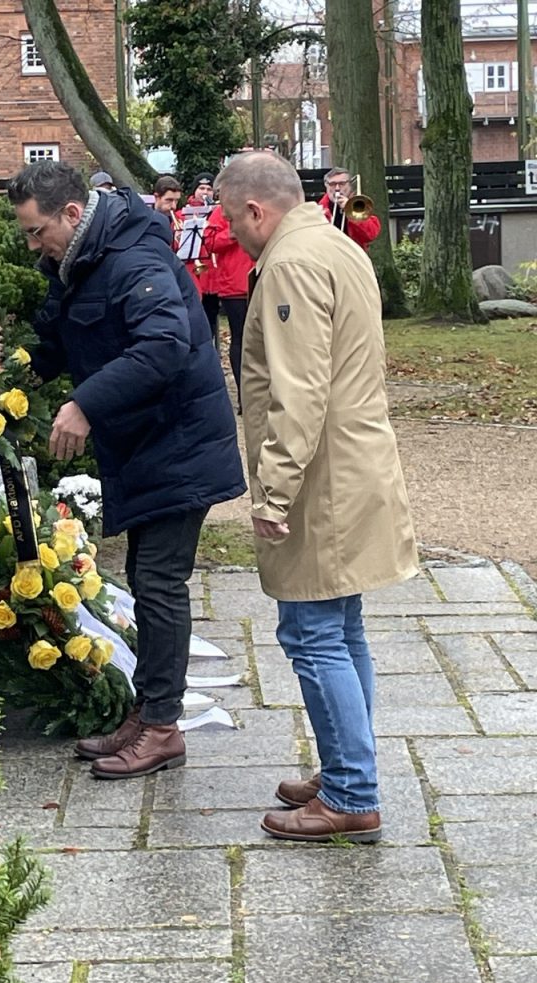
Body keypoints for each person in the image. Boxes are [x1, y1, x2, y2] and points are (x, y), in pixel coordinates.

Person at [8, 160, 245, 780]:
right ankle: (148, 713)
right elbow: (60, 339)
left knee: (160, 581)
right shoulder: (80, 260)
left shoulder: (132, 259)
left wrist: (85, 404)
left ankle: (163, 728)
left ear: (71, 214)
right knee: (147, 577)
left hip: (178, 441)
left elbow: (163, 345)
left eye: (37, 232)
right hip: (149, 443)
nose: (34, 245)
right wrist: (2, 373)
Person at [214, 151, 418, 843]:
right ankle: (343, 772)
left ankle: (352, 793)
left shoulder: (293, 263)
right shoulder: (330, 242)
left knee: (313, 634)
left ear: (254, 210)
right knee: (341, 625)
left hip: (319, 479)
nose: (229, 234)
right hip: (347, 464)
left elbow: (298, 390)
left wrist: (272, 491)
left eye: (228, 218)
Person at [203, 201, 254, 414]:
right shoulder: (221, 211)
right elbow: (210, 242)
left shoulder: (259, 207)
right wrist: (234, 233)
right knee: (240, 338)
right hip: (234, 285)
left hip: (261, 278)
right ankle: (245, 397)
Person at [179, 172, 220, 346]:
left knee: (210, 317)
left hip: (212, 274)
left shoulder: (217, 212)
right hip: (192, 275)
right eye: (201, 188)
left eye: (209, 189)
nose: (205, 192)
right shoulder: (183, 215)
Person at [319, 166, 381, 252]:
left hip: (354, 259)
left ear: (350, 186)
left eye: (342, 184)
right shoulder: (318, 210)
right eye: (332, 184)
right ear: (326, 186)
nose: (337, 188)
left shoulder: (359, 206)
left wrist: (350, 209)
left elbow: (371, 234)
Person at [152, 175, 182, 250]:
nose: (174, 206)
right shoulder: (146, 220)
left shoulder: (177, 219)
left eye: (176, 200)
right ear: (156, 197)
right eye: (169, 200)